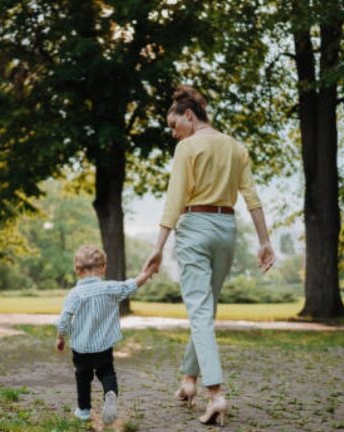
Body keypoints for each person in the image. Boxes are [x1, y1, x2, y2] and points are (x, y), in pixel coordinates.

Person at [142, 85, 275, 426]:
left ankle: (215, 395)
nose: (174, 134)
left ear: (189, 115)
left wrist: (158, 247)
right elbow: (252, 197)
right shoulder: (236, 147)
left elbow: (175, 200)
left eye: (174, 125)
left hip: (195, 227)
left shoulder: (188, 147)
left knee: (200, 312)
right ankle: (188, 380)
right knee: (206, 309)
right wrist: (264, 241)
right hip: (227, 231)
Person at [55, 245, 154, 425]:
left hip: (81, 347)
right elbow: (132, 285)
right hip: (103, 346)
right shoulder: (111, 288)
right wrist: (148, 273)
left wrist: (61, 337)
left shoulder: (75, 294)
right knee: (107, 372)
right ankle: (110, 393)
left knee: (82, 376)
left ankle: (84, 410)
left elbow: (64, 320)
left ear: (78, 270)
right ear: (103, 268)